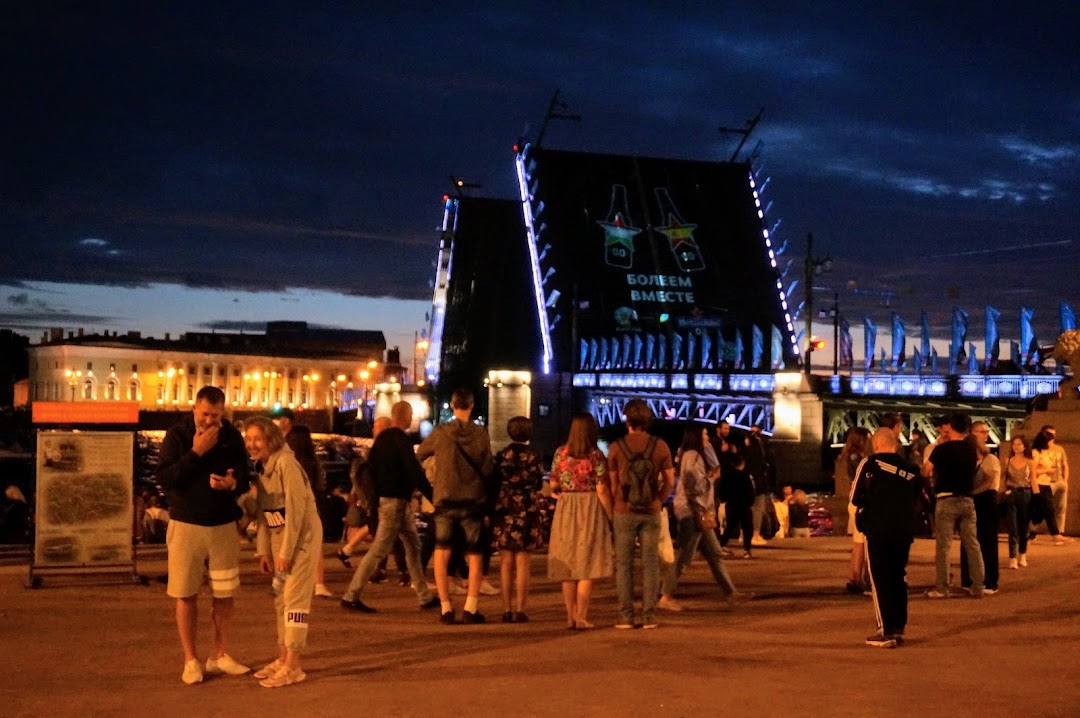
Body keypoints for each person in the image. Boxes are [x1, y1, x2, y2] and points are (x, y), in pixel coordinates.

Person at [157, 386, 251, 685]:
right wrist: (196, 452)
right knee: (186, 593)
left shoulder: (232, 436)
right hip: (186, 522)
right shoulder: (177, 436)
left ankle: (219, 654)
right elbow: (166, 478)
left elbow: (245, 475)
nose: (211, 421)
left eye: (216, 415)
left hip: (222, 523)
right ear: (194, 408)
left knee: (224, 594)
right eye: (206, 414)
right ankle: (190, 660)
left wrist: (232, 483)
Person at [242, 416, 322, 687]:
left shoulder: (287, 464)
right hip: (280, 539)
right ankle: (282, 657)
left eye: (257, 439)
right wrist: (264, 551)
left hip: (302, 539)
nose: (252, 444)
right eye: (248, 439)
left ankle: (294, 666)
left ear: (271, 440)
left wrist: (286, 553)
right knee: (280, 601)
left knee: (295, 600)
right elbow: (266, 513)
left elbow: (296, 513)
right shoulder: (263, 468)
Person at [340, 402, 438, 613]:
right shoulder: (401, 439)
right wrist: (433, 496)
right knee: (379, 550)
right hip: (395, 502)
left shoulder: (381, 440)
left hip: (388, 501)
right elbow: (413, 470)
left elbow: (371, 472)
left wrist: (373, 503)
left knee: (412, 546)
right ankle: (351, 594)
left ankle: (424, 595)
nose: (413, 418)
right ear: (405, 415)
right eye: (411, 414)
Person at [416, 388, 494, 625]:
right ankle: (471, 607)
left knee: (442, 551)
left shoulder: (441, 433)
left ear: (452, 405)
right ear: (471, 406)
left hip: (445, 498)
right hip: (473, 500)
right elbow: (488, 467)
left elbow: (420, 453)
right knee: (475, 553)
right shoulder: (481, 434)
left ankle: (446, 607)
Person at [607, 399, 675, 629]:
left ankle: (626, 617)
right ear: (647, 420)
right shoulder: (660, 446)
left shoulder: (616, 447)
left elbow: (613, 483)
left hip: (623, 511)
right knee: (650, 564)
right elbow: (669, 481)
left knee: (624, 565)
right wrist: (659, 500)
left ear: (627, 419)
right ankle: (649, 617)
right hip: (651, 511)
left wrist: (618, 503)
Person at [850, 428, 921, 648]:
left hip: (877, 528)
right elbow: (917, 495)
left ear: (875, 443)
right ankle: (899, 626)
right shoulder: (911, 468)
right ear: (895, 444)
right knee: (898, 576)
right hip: (903, 529)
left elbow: (854, 497)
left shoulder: (869, 464)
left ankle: (886, 630)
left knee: (880, 580)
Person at [658, 425, 737, 612]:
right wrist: (712, 478)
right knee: (684, 556)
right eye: (704, 434)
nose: (707, 438)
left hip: (698, 511)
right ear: (695, 436)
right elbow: (693, 484)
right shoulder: (692, 456)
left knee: (715, 553)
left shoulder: (693, 454)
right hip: (692, 512)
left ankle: (731, 593)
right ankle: (665, 596)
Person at [547, 413, 613, 629]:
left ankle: (570, 616)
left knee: (568, 565)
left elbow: (553, 484)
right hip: (589, 507)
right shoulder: (595, 455)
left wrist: (561, 495)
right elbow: (602, 488)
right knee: (586, 563)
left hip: (566, 507)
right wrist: (611, 515)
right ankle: (582, 617)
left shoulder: (560, 453)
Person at [270, 408, 332, 598]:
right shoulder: (297, 440)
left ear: (286, 421)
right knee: (305, 539)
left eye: (277, 419)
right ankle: (316, 583)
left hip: (295, 497)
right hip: (304, 495)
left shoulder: (291, 442)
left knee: (290, 538)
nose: (274, 422)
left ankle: (283, 581)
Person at [924, 413, 983, 598]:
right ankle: (978, 586)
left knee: (944, 547)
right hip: (967, 499)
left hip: (946, 499)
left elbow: (926, 471)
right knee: (972, 544)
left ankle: (942, 588)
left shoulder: (942, 449)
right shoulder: (971, 449)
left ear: (951, 426)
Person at [492, 416, 544, 623]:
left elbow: (495, 481)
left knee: (506, 562)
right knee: (523, 562)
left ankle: (506, 608)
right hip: (527, 509)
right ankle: (521, 609)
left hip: (505, 509)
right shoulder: (534, 456)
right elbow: (539, 483)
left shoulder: (502, 455)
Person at [961, 422, 1001, 594]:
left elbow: (989, 482)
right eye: (981, 432)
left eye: (986, 432)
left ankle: (990, 580)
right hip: (973, 499)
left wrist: (972, 492)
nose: (985, 435)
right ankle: (969, 578)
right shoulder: (970, 460)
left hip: (986, 501)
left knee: (987, 540)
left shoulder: (990, 459)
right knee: (969, 540)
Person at [836, 427, 871, 593]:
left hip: (853, 501)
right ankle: (857, 578)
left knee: (858, 542)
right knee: (862, 542)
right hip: (860, 502)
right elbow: (863, 479)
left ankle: (855, 578)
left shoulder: (849, 457)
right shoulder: (858, 458)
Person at [1003, 435, 1035, 569]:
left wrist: (1037, 497)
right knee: (1013, 527)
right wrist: (1004, 491)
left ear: (1025, 446)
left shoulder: (1030, 462)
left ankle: (1022, 554)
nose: (1016, 447)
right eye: (1014, 444)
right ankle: (1012, 558)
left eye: (1019, 444)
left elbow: (1033, 480)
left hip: (1026, 494)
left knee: (1024, 527)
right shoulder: (1007, 461)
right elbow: (1002, 478)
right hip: (1012, 493)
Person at [1031, 430, 1068, 545]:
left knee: (1044, 511)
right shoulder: (1035, 453)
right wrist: (1046, 470)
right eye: (1050, 441)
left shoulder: (1045, 452)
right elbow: (1032, 471)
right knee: (1047, 510)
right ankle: (1055, 534)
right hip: (1039, 484)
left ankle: (1031, 531)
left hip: (1046, 484)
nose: (1052, 443)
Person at [719, 454, 755, 558]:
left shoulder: (728, 475)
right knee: (747, 527)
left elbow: (721, 489)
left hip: (731, 504)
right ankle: (747, 550)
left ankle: (722, 545)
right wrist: (750, 501)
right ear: (743, 463)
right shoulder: (746, 475)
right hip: (744, 505)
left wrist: (724, 499)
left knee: (730, 526)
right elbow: (751, 491)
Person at [1041, 424, 1071, 537]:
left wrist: (1065, 481)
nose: (1052, 437)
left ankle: (1059, 531)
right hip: (1045, 482)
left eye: (1053, 434)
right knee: (1042, 506)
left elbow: (1065, 465)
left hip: (1059, 481)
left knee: (1061, 507)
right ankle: (1032, 531)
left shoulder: (1059, 449)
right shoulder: (1039, 449)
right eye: (1049, 434)